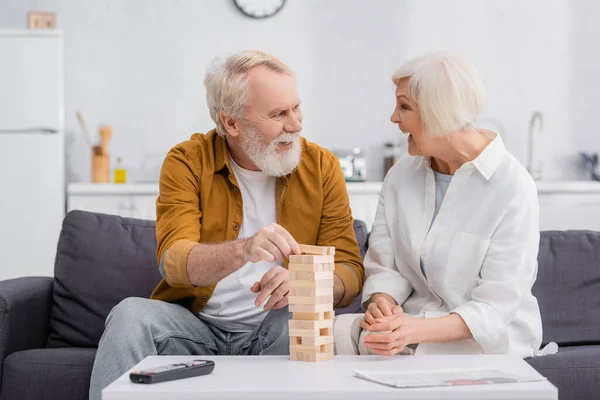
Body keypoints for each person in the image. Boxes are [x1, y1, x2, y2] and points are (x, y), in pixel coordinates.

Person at [89, 50, 364, 399]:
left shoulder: (321, 166)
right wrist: (243, 249)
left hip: (276, 330)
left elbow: (350, 270)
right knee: (129, 315)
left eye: (296, 108)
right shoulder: (187, 161)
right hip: (196, 329)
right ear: (231, 123)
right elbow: (174, 262)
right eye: (279, 113)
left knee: (298, 313)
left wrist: (307, 281)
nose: (295, 124)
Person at [336, 51, 549, 358]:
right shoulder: (400, 176)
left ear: (439, 112)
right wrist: (383, 302)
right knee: (339, 335)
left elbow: (496, 306)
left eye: (404, 107)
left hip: (483, 343)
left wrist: (410, 330)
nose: (394, 117)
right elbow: (386, 265)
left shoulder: (512, 186)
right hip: (408, 329)